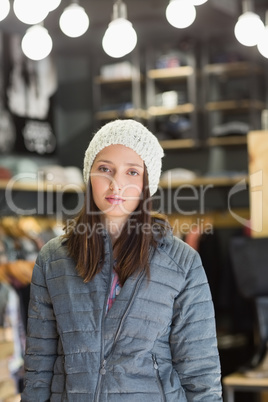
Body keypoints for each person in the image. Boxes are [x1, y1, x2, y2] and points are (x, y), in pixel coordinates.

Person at [21, 119, 222, 401]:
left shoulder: (182, 261)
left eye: (132, 172)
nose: (117, 184)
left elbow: (201, 374)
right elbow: (38, 367)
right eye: (105, 169)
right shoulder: (53, 259)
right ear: (89, 174)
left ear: (146, 183)